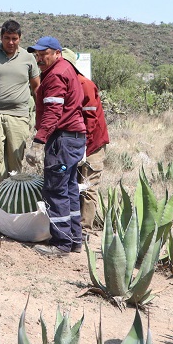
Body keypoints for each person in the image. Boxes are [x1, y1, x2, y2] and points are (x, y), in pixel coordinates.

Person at [24, 36, 86, 256]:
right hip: (73, 138)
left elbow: (53, 113)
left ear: (57, 53)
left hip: (62, 140)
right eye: (37, 55)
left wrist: (39, 142)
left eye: (44, 54)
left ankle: (61, 244)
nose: (39, 59)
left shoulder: (56, 75)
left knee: (55, 190)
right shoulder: (65, 69)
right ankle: (74, 240)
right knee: (68, 189)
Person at [0, 20, 40, 191]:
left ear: (20, 38)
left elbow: (36, 87)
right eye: (7, 38)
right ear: (1, 37)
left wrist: (41, 113)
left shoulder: (28, 58)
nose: (10, 42)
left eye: (14, 38)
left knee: (15, 157)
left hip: (19, 114)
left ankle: (11, 197)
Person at [61, 48, 110, 230]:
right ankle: (72, 224)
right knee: (73, 184)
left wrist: (83, 146)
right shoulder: (66, 84)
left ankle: (84, 228)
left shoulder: (84, 84)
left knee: (88, 186)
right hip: (76, 143)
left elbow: (91, 119)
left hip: (92, 144)